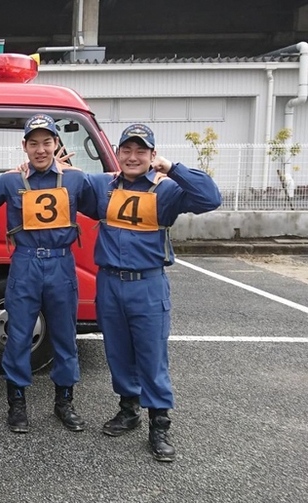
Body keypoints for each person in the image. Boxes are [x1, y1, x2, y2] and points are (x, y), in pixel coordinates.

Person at [78, 124, 222, 461]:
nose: (132, 157)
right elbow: (70, 191)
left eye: (140, 151)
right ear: (117, 153)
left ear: (152, 155)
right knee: (117, 351)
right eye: (126, 150)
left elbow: (210, 198)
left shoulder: (166, 190)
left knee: (151, 356)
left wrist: (173, 168)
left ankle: (159, 423)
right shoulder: (103, 186)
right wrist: (51, 167)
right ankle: (128, 408)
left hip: (148, 283)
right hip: (110, 282)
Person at [0, 114, 87, 434]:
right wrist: (1, 172)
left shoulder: (75, 179)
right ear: (24, 146)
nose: (41, 149)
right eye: (34, 143)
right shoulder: (12, 181)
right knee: (19, 335)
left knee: (65, 335)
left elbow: (105, 202)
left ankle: (64, 401)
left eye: (47, 142)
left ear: (56, 144)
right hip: (24, 263)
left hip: (61, 264)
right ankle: (17, 403)